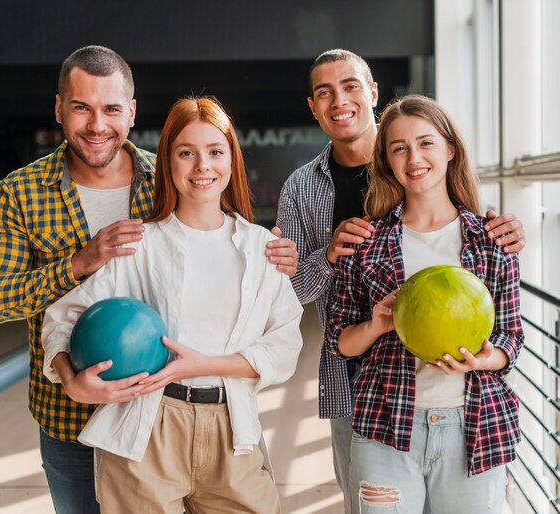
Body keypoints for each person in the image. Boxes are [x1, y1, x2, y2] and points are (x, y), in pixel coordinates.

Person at [0, 46, 298, 514]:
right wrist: (78, 268)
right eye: (82, 107)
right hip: (69, 413)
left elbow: (218, 243)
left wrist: (276, 257)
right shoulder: (21, 192)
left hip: (203, 414)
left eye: (111, 109)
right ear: (59, 108)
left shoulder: (164, 174)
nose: (97, 124)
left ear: (132, 112)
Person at [274, 48, 526, 512]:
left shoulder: (484, 238)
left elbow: (509, 334)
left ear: (371, 92)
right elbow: (295, 303)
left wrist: (489, 356)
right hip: (371, 398)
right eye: (324, 92)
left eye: (350, 86)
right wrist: (330, 258)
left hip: (469, 417)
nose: (339, 101)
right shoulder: (309, 195)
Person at [41, 96, 303, 513]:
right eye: (187, 153)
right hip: (147, 427)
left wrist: (203, 365)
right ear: (168, 163)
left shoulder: (262, 249)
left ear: (232, 162)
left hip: (230, 426)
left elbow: (285, 345)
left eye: (215, 152)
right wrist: (70, 378)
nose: (202, 166)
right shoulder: (138, 244)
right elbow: (60, 318)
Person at [327, 95, 523, 513]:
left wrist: (483, 359)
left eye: (426, 143)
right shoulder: (366, 242)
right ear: (387, 161)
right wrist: (377, 324)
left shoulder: (492, 241)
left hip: (474, 428)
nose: (413, 157)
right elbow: (340, 343)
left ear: (450, 149)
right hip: (385, 429)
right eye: (399, 148)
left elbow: (511, 339)